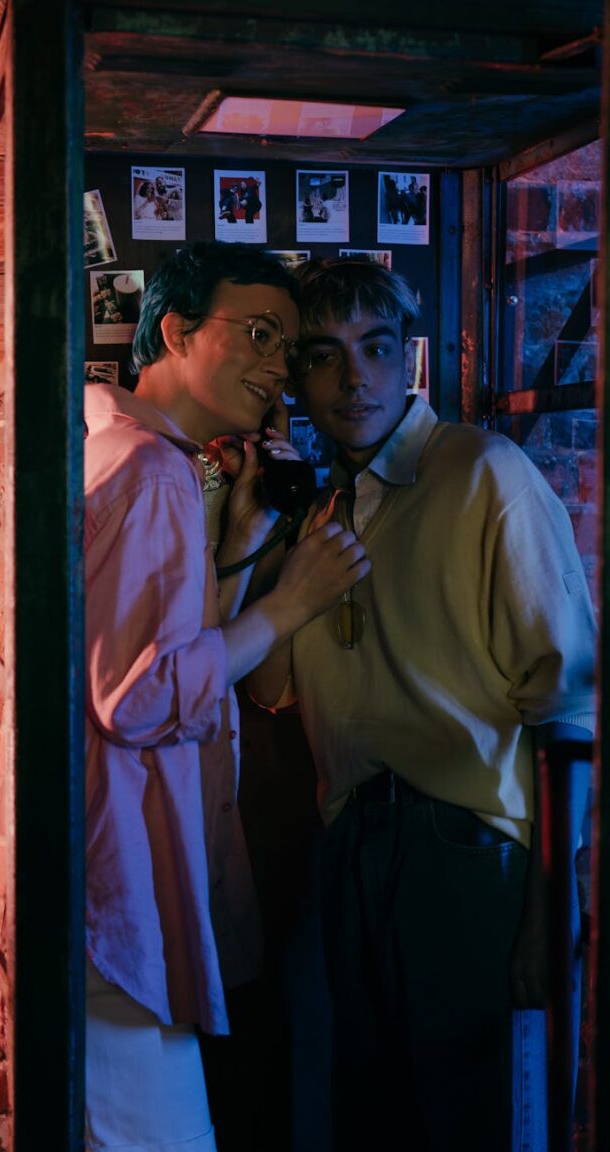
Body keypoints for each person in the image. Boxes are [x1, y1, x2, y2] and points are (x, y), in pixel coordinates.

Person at [248, 257, 596, 1152]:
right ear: (296, 379)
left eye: (374, 349)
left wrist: (548, 912)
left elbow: (570, 709)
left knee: (474, 1122)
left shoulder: (483, 471)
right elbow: (267, 686)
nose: (352, 379)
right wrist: (267, 518)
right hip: (350, 843)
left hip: (467, 848)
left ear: (407, 357)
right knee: (370, 1121)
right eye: (323, 356)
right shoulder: (320, 507)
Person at [84, 241, 369, 1151]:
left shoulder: (117, 447)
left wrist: (241, 547)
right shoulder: (153, 472)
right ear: (175, 331)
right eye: (258, 334)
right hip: (126, 884)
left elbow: (168, 652)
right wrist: (293, 603)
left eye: (287, 346)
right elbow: (138, 699)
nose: (279, 366)